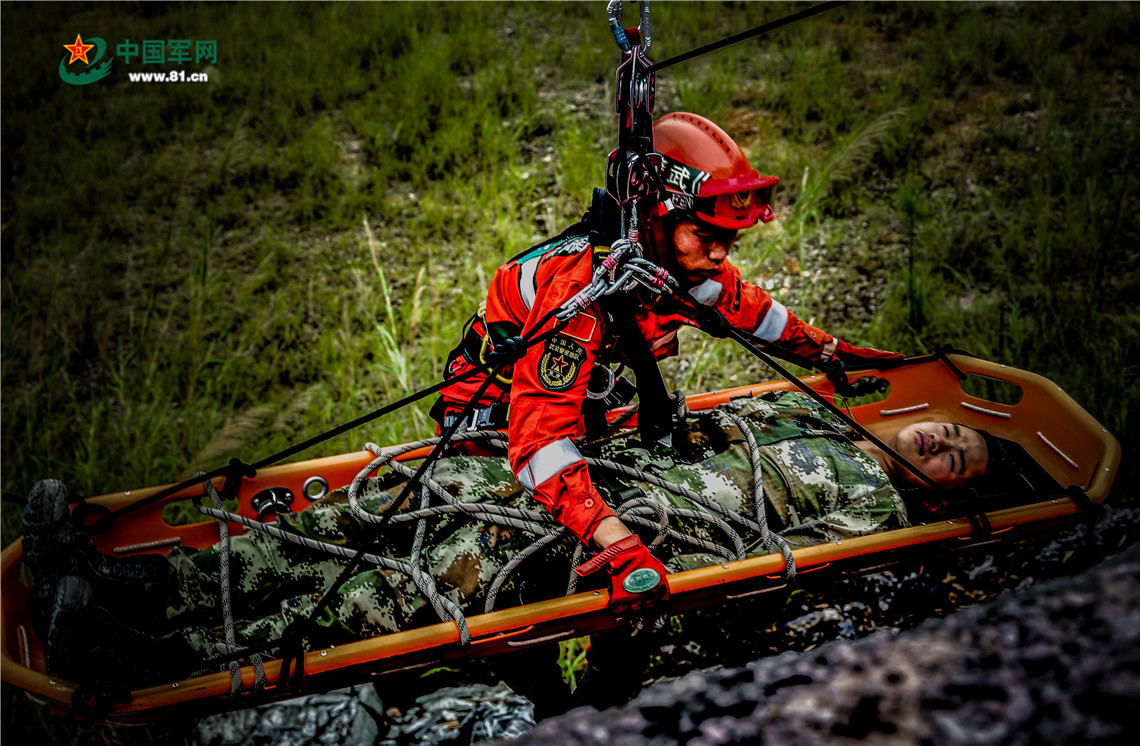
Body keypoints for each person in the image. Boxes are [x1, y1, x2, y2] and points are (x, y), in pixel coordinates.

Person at [22, 390, 991, 685]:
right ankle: (148, 583)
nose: (944, 441)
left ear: (941, 492)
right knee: (397, 500)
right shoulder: (814, 411)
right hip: (593, 479)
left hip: (623, 532)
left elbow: (762, 568)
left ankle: (153, 655)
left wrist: (631, 568)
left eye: (960, 458)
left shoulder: (878, 512)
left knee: (406, 581)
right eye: (950, 429)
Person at [431, 112, 903, 617]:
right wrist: (617, 544)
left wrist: (830, 353)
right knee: (521, 563)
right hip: (489, 426)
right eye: (705, 234)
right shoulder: (580, 292)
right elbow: (539, 443)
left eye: (730, 239)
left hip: (573, 410)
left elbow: (750, 311)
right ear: (655, 216)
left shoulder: (669, 262)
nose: (720, 254)